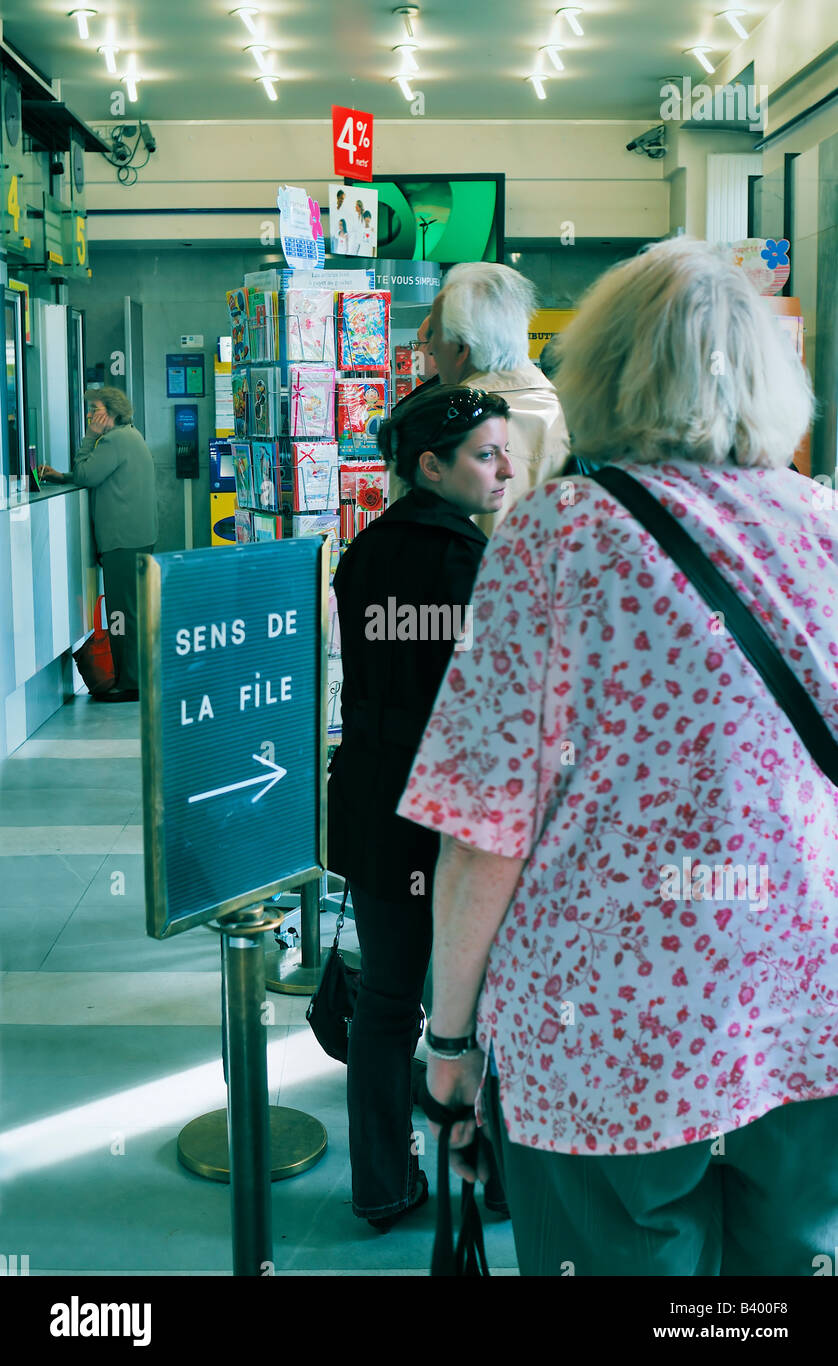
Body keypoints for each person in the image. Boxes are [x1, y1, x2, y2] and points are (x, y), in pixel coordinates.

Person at [398, 236, 838, 1276]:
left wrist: (448, 1043)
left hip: (602, 1040)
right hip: (807, 1012)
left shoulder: (553, 539)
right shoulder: (825, 525)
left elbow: (483, 834)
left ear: (599, 370)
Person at [328, 383, 513, 1231]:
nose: (504, 470)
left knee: (386, 1000)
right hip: (452, 810)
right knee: (481, 1000)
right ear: (430, 467)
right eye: (485, 455)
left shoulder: (363, 551)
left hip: (374, 799)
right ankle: (495, 1177)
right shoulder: (472, 561)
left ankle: (380, 1183)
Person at [426, 261, 569, 535]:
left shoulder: (435, 427)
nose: (430, 347)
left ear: (461, 348)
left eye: (435, 334)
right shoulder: (573, 418)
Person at [39, 387, 158, 702]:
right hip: (136, 538)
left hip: (122, 540)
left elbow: (86, 474)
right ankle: (135, 677)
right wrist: (62, 477)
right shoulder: (131, 436)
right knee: (131, 611)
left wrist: (89, 436)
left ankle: (128, 683)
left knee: (120, 614)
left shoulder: (112, 440)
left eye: (95, 410)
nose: (90, 416)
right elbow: (95, 474)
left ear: (112, 412)